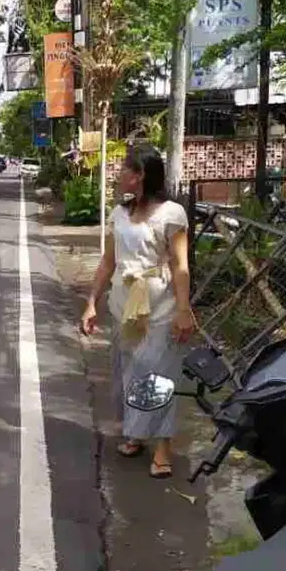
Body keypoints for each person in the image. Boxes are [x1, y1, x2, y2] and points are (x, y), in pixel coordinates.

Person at [80, 143, 196, 479]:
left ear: (140, 175)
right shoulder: (119, 214)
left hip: (159, 306)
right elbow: (108, 262)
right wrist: (91, 302)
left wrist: (184, 309)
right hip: (123, 305)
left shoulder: (172, 214)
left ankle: (162, 449)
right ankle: (136, 433)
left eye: (124, 169)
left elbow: (180, 266)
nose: (118, 174)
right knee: (129, 371)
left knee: (158, 375)